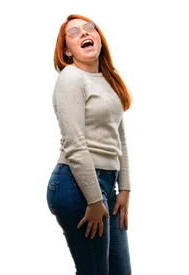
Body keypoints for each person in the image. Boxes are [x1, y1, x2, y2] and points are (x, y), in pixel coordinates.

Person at [46, 14, 132, 275]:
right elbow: (74, 144)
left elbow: (120, 138)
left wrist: (124, 188)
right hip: (77, 185)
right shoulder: (71, 78)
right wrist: (95, 200)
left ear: (99, 39)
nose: (84, 33)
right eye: (74, 33)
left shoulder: (108, 81)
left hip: (107, 185)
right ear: (67, 51)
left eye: (90, 28)